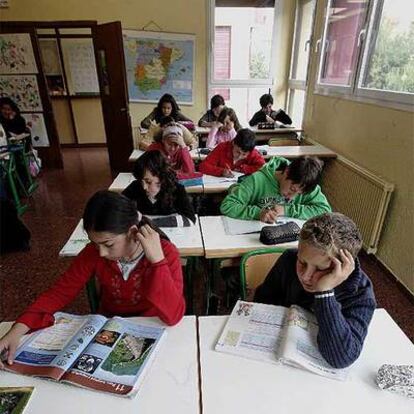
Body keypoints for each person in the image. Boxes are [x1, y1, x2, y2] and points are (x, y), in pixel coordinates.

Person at [0, 191, 185, 368]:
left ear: (132, 232)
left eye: (108, 244)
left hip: (149, 328)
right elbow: (59, 293)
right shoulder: (93, 252)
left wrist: (157, 262)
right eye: (95, 244)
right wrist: (17, 330)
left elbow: (173, 316)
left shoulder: (166, 253)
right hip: (108, 326)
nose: (102, 252)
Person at [254, 212, 376, 369]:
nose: (306, 276)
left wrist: (324, 292)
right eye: (302, 262)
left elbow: (341, 358)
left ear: (344, 266)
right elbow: (261, 302)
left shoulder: (361, 293)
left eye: (320, 268)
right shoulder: (288, 260)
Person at [220, 156, 331, 222]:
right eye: (292, 189)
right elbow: (227, 205)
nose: (292, 197)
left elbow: (325, 211)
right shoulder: (257, 180)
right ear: (286, 172)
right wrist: (258, 213)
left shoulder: (305, 184)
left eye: (299, 193)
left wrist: (287, 210)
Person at [123, 150, 196, 227]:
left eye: (148, 182)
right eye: (141, 181)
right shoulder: (135, 187)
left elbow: (190, 219)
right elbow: (116, 210)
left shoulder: (177, 190)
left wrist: (150, 222)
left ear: (161, 178)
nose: (144, 187)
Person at [199, 128, 265, 177]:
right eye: (237, 152)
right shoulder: (222, 147)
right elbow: (203, 166)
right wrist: (222, 171)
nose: (240, 156)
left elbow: (263, 167)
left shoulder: (252, 151)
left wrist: (244, 168)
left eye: (244, 154)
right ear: (233, 143)